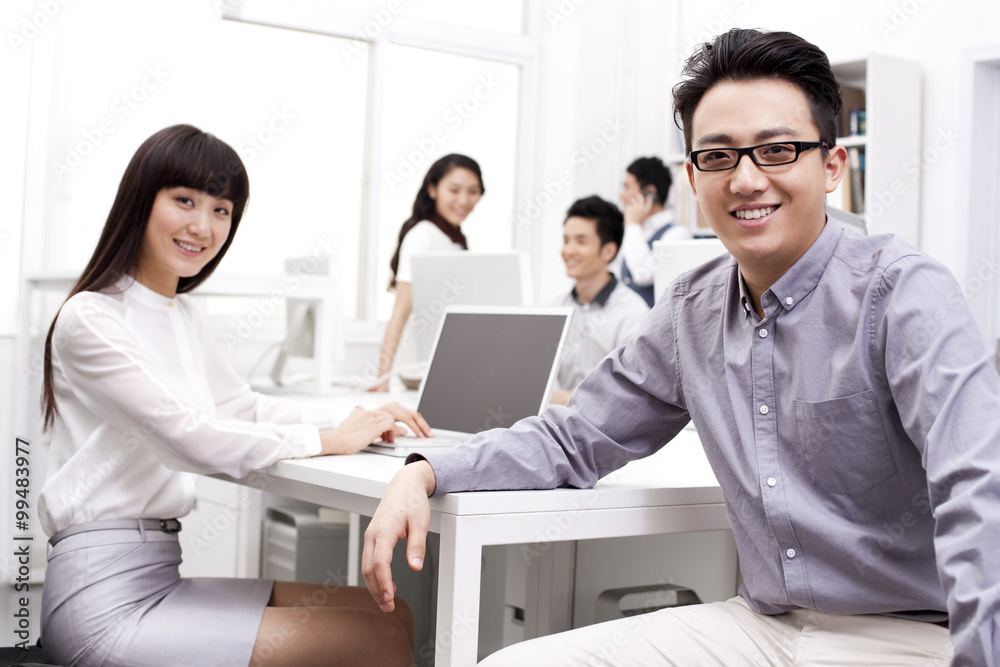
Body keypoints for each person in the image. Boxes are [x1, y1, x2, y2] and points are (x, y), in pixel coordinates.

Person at [361, 28, 1000, 666]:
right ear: (693, 178)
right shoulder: (690, 310)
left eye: (777, 150)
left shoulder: (902, 292)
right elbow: (574, 438)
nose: (747, 179)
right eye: (718, 157)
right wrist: (426, 471)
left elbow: (977, 486)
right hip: (761, 627)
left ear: (831, 166)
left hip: (912, 633)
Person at [37, 125, 431, 667]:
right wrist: (326, 439)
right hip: (102, 599)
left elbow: (241, 409)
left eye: (221, 209)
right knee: (379, 643)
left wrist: (358, 415)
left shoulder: (183, 315)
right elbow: (187, 438)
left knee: (395, 616)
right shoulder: (91, 317)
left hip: (158, 572)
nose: (203, 225)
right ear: (140, 200)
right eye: (184, 200)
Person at [371, 154, 485, 391]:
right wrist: (382, 377)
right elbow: (401, 311)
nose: (463, 200)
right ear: (432, 189)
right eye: (454, 190)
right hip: (421, 371)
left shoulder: (456, 240)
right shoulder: (422, 237)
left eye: (473, 191)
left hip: (446, 366)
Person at [549, 195, 649, 406]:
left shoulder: (633, 313)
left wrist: (566, 400)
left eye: (581, 241)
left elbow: (632, 397)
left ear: (608, 251)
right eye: (566, 240)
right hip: (553, 426)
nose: (569, 250)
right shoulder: (556, 307)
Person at [618, 156, 693, 307]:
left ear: (649, 193)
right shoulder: (637, 231)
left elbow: (642, 275)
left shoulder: (677, 235)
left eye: (626, 187)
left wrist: (632, 225)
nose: (622, 196)